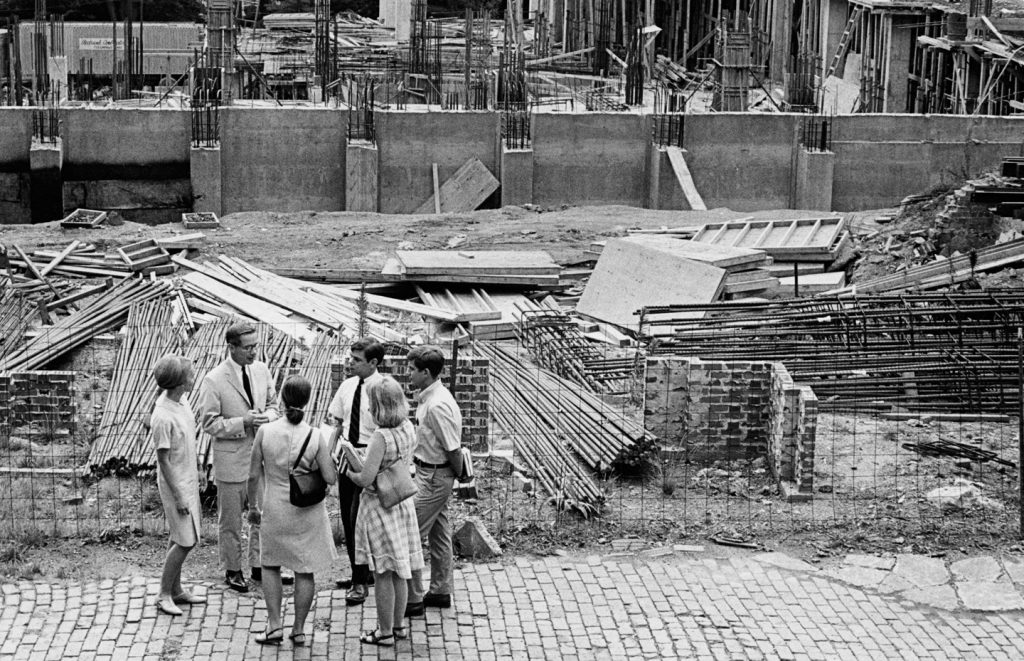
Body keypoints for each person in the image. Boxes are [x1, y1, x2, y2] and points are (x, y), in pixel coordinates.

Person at [247, 375, 338, 646]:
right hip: (307, 510)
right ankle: (298, 629)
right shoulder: (315, 435)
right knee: (304, 569)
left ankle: (274, 625)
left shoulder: (266, 432)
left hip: (274, 506)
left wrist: (253, 506)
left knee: (270, 565)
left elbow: (253, 475)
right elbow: (330, 477)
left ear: (283, 399)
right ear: (307, 401)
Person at [339, 376, 424, 647]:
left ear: (378, 406)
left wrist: (350, 470)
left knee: (383, 572)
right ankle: (398, 626)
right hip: (401, 502)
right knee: (400, 568)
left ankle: (384, 631)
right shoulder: (408, 427)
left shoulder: (380, 436)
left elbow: (365, 479)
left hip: (379, 507)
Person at [198, 322, 279, 593]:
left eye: (256, 346)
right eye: (248, 348)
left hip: (261, 456)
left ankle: (259, 564)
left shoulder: (262, 370)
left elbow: (273, 405)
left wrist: (266, 418)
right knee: (231, 519)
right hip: (231, 459)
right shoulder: (214, 379)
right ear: (231, 347)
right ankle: (233, 570)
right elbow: (209, 423)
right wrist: (241, 423)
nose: (254, 353)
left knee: (263, 514)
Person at [404, 346, 468, 617]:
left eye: (411, 369)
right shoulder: (430, 396)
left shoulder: (438, 404)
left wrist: (461, 478)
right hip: (430, 473)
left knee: (409, 534)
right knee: (439, 534)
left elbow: (453, 448)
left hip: (434, 476)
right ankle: (441, 590)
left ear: (426, 373)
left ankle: (413, 598)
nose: (408, 373)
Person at [326, 338, 385, 605]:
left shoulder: (383, 389)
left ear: (373, 363)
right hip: (346, 456)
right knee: (349, 517)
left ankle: (361, 581)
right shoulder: (347, 386)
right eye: (350, 357)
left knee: (359, 520)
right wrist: (329, 455)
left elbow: (388, 429)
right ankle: (358, 574)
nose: (350, 363)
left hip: (369, 456)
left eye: (357, 359)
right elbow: (337, 423)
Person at [151, 354, 206, 616]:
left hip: (188, 478)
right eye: (190, 375)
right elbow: (163, 461)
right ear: (179, 383)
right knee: (185, 541)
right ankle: (163, 594)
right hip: (175, 484)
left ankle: (176, 589)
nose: (193, 378)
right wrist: (179, 496)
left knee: (179, 536)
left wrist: (199, 469)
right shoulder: (163, 416)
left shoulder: (181, 401)